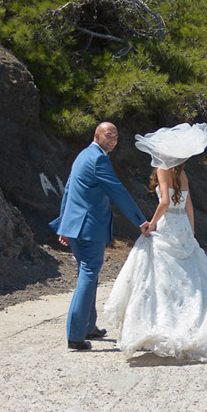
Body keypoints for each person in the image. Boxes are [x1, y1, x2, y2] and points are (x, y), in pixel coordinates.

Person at [103, 123, 207, 363]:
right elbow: (188, 206)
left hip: (167, 225)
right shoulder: (181, 172)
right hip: (182, 228)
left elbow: (165, 201)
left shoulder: (162, 169)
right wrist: (191, 232)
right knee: (189, 281)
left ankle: (164, 327)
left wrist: (152, 223)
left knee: (160, 280)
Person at [50, 122, 150, 351]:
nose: (113, 139)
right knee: (87, 275)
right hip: (89, 228)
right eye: (108, 135)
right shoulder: (98, 159)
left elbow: (68, 189)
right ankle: (75, 335)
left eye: (115, 136)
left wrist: (64, 226)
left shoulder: (83, 155)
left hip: (75, 227)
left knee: (89, 275)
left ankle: (88, 325)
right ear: (97, 135)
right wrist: (140, 220)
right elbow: (117, 191)